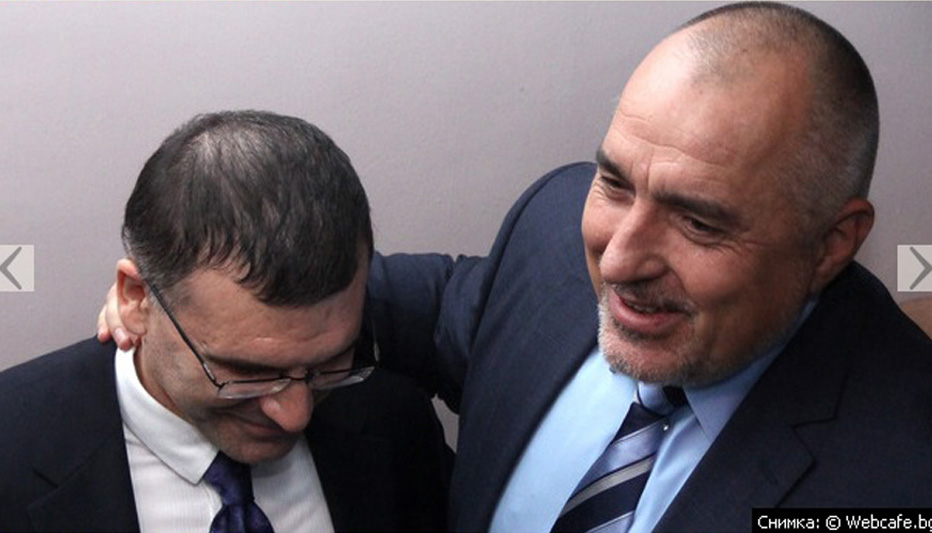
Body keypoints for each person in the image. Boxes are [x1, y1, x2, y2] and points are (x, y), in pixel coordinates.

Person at [99, 4, 932, 532]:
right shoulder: (549, 234)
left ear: (833, 242)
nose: (618, 259)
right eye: (615, 182)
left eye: (699, 221)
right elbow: (416, 305)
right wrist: (186, 314)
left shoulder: (901, 472)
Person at [2, 111, 451, 533]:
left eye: (329, 365)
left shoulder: (395, 422)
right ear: (137, 298)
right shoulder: (12, 448)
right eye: (247, 372)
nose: (295, 414)